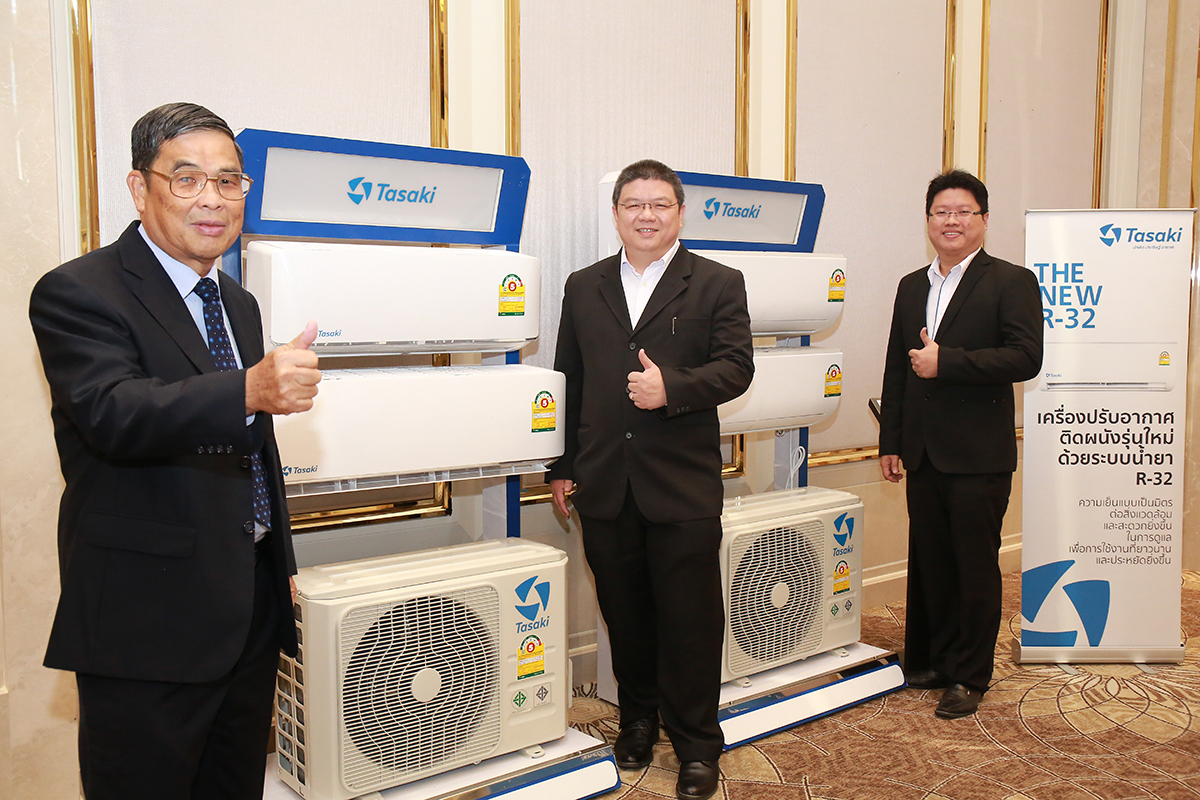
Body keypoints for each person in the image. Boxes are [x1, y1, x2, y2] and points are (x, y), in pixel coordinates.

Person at [29, 102, 322, 799]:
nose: (212, 200)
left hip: (247, 611)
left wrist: (276, 563)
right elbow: (114, 413)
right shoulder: (78, 291)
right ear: (140, 188)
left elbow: (250, 450)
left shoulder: (236, 302)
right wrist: (249, 388)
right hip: (147, 623)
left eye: (228, 181)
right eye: (187, 179)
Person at [548, 159, 753, 800]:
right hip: (604, 483)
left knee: (691, 623)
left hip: (681, 487)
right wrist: (562, 467)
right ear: (616, 214)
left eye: (659, 204)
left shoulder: (717, 282)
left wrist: (673, 388)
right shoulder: (584, 286)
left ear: (680, 212)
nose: (646, 215)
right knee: (626, 615)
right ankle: (637, 721)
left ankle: (697, 745)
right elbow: (568, 379)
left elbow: (737, 368)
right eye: (633, 204)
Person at [879, 169, 1043, 719]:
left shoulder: (1011, 281)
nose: (951, 221)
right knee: (931, 560)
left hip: (978, 455)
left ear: (984, 220)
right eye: (941, 212)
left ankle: (970, 675)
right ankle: (933, 660)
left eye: (963, 212)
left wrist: (946, 361)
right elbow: (897, 369)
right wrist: (890, 439)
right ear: (928, 220)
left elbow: (1025, 357)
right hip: (923, 451)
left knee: (973, 566)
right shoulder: (912, 286)